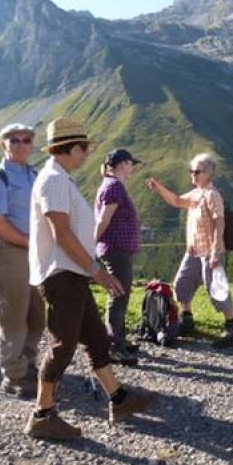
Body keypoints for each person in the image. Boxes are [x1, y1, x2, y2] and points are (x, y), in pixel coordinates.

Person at [25, 118, 152, 440]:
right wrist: (98, 271)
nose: (86, 156)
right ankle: (42, 414)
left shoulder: (59, 179)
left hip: (73, 273)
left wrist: (92, 270)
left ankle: (119, 399)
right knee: (62, 345)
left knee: (96, 338)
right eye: (84, 149)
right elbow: (62, 233)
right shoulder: (53, 180)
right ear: (73, 148)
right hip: (61, 274)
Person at [0, 123, 44, 398]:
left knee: (37, 315)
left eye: (26, 140)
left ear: (32, 144)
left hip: (35, 255)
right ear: (2, 144)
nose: (20, 144)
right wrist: (33, 244)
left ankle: (27, 363)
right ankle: (14, 375)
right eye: (13, 140)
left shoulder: (36, 176)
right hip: (11, 253)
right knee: (14, 316)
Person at [145, 153, 233, 348]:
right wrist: (159, 188)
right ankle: (187, 318)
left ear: (209, 173)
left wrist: (216, 249)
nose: (193, 175)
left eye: (197, 171)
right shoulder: (196, 194)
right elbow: (178, 201)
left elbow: (219, 221)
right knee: (182, 283)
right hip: (194, 251)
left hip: (210, 251)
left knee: (217, 288)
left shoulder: (212, 195)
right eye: (191, 171)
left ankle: (231, 328)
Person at [94, 148, 142, 367]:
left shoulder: (113, 185)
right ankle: (114, 345)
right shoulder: (114, 186)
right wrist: (90, 244)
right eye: (131, 164)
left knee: (120, 293)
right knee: (119, 294)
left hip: (118, 249)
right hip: (115, 249)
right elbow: (104, 220)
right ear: (123, 164)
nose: (133, 169)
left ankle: (119, 338)